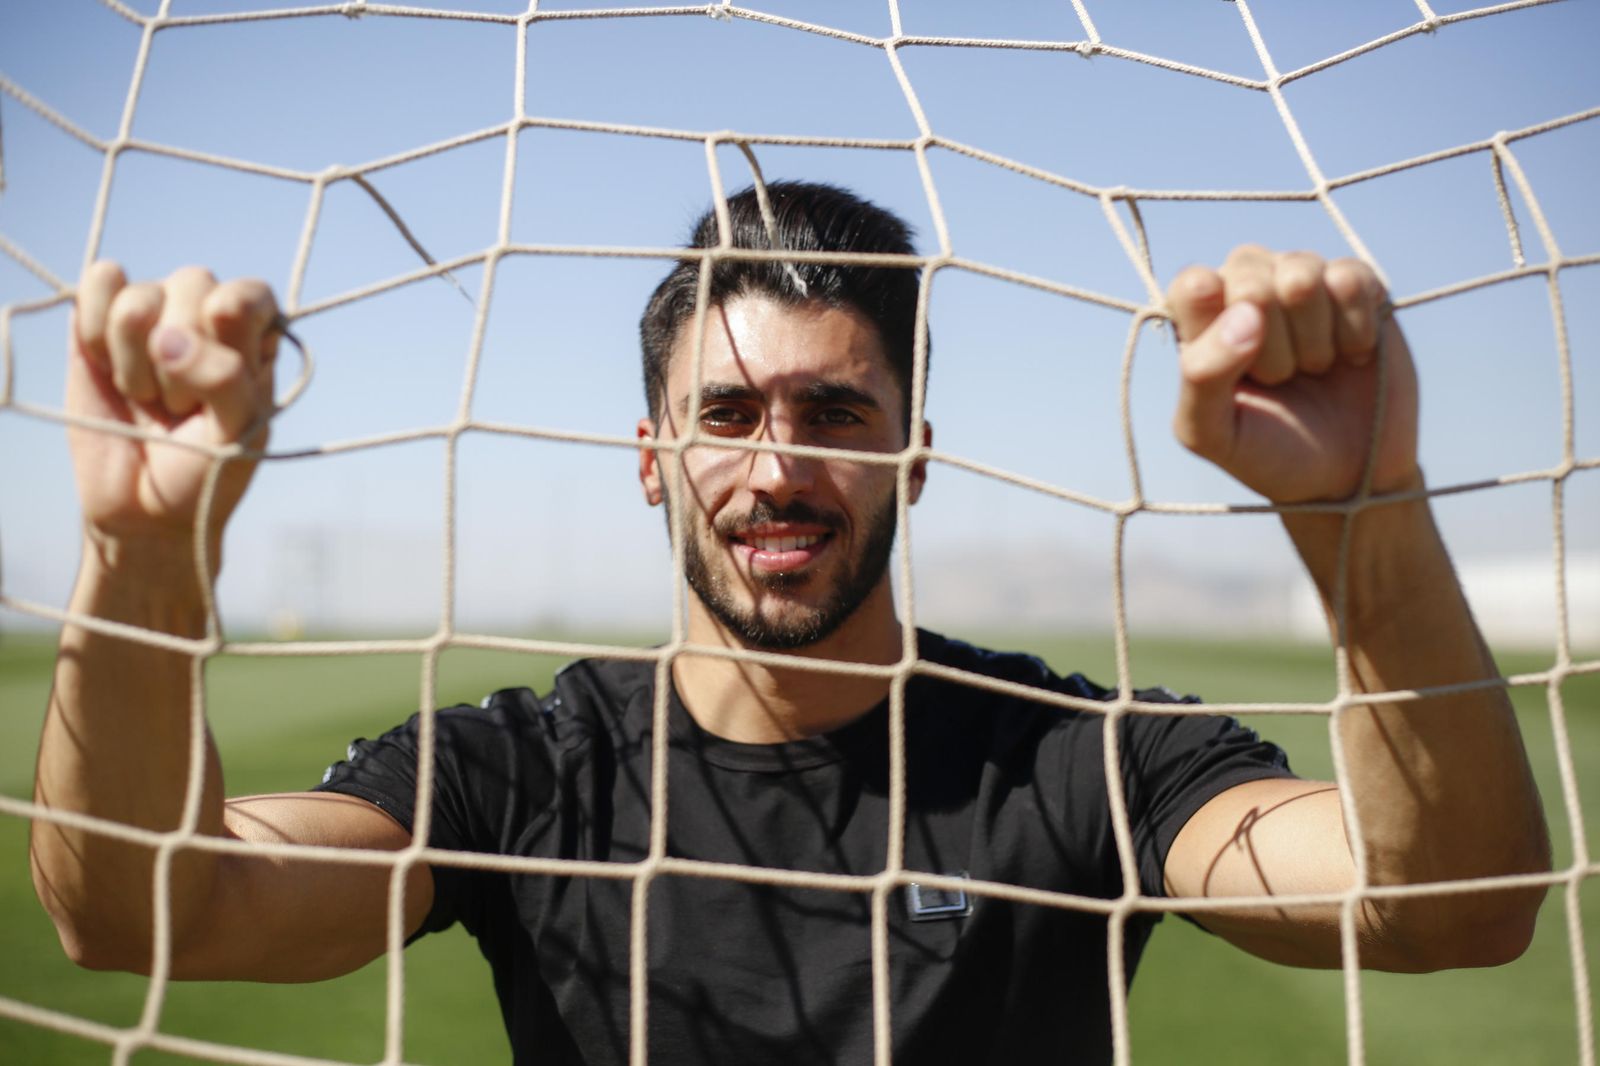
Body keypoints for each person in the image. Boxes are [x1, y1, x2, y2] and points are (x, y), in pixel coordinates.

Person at [32, 182, 1549, 1064]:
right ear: (649, 457)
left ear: (916, 448)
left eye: (836, 409)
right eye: (725, 412)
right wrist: (139, 555)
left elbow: (1455, 905)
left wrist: (1364, 514)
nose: (776, 466)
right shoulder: (528, 774)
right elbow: (145, 910)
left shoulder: (1083, 762)